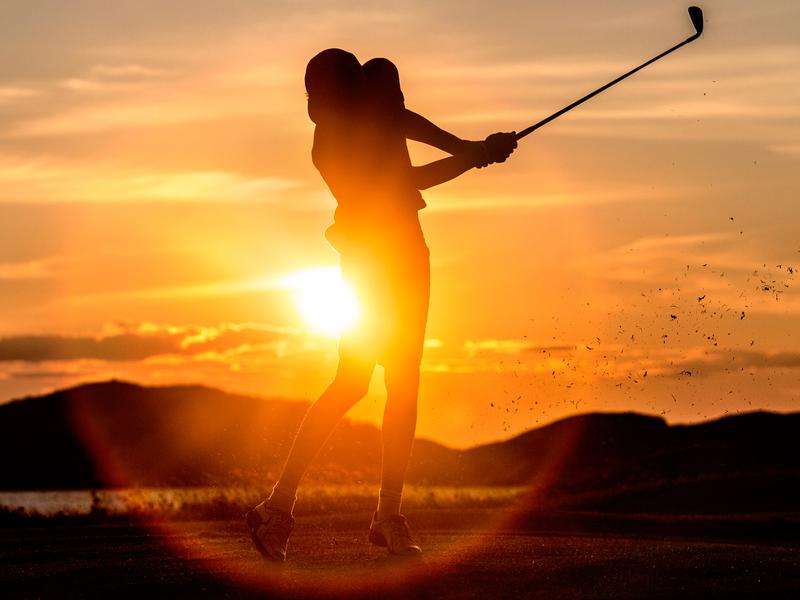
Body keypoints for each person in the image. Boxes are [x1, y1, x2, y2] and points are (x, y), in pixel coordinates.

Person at [246, 48, 516, 562]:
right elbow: (403, 182)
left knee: (405, 380)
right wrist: (471, 155)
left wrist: (470, 147)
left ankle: (387, 517)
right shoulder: (328, 147)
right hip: (369, 262)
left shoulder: (372, 112)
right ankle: (276, 510)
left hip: (410, 254)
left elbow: (402, 120)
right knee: (352, 381)